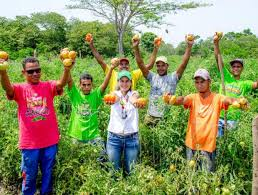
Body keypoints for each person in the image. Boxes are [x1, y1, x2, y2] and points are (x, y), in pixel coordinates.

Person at [0, 56, 73, 194]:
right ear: (23, 73)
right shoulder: (20, 89)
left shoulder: (48, 86)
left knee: (48, 174)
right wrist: (2, 72)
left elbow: (61, 84)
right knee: (29, 176)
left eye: (37, 70)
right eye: (30, 71)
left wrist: (66, 69)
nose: (35, 74)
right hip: (29, 144)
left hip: (50, 141)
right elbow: (8, 88)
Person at [165, 68, 246, 171]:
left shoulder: (217, 98)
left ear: (209, 82)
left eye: (202, 81)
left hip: (208, 147)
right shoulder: (192, 98)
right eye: (197, 82)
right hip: (191, 145)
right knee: (192, 177)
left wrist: (237, 101)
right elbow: (182, 100)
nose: (199, 85)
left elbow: (228, 99)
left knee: (207, 178)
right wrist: (172, 100)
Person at [133, 36, 194, 126]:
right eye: (158, 65)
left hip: (165, 118)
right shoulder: (152, 77)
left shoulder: (173, 77)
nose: (160, 68)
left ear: (167, 66)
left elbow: (183, 64)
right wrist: (136, 47)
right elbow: (141, 64)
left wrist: (189, 46)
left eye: (163, 65)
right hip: (150, 117)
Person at [66, 59, 119, 160]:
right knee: (75, 161)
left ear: (92, 85)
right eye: (84, 85)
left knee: (102, 157)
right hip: (76, 135)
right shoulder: (75, 95)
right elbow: (69, 80)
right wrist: (67, 68)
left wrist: (111, 68)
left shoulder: (96, 96)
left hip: (93, 135)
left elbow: (105, 84)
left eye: (89, 85)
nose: (86, 87)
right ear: (80, 85)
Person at [213, 34, 258, 136]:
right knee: (217, 144)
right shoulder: (226, 76)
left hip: (233, 121)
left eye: (238, 66)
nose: (236, 68)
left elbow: (256, 84)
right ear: (231, 68)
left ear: (242, 69)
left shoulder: (245, 83)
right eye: (234, 66)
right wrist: (216, 43)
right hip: (219, 117)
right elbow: (218, 60)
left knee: (229, 145)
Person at [105, 70, 145, 175]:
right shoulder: (114, 94)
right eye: (122, 81)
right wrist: (113, 99)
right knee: (113, 170)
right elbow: (116, 98)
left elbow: (133, 98)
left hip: (131, 138)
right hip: (114, 138)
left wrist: (135, 102)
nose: (124, 84)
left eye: (127, 81)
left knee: (131, 170)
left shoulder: (134, 93)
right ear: (118, 82)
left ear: (131, 82)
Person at [87, 34, 160, 92]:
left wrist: (155, 48)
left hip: (129, 107)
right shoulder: (112, 73)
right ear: (118, 67)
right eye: (121, 64)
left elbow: (150, 66)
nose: (124, 66)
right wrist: (91, 45)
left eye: (126, 64)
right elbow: (101, 61)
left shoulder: (133, 74)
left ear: (129, 66)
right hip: (115, 105)